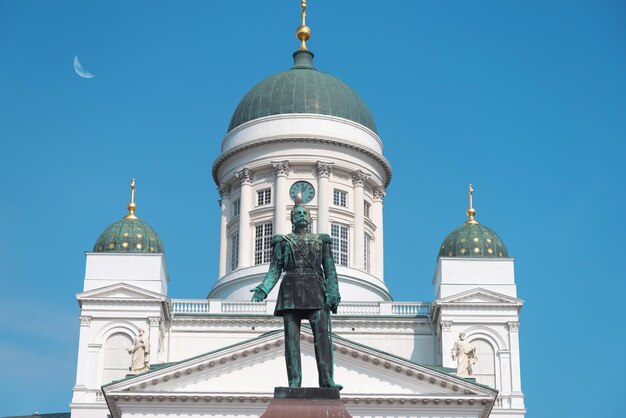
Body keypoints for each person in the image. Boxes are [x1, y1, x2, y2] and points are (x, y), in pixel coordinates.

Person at [251, 198, 342, 389]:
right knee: (291, 340)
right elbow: (275, 270)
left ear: (309, 218)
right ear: (292, 219)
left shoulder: (321, 242)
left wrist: (333, 293)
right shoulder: (283, 243)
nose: (301, 216)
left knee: (322, 337)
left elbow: (330, 269)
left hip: (315, 289)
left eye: (304, 213)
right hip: (290, 290)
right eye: (297, 214)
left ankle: (326, 380)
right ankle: (294, 381)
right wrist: (263, 289)